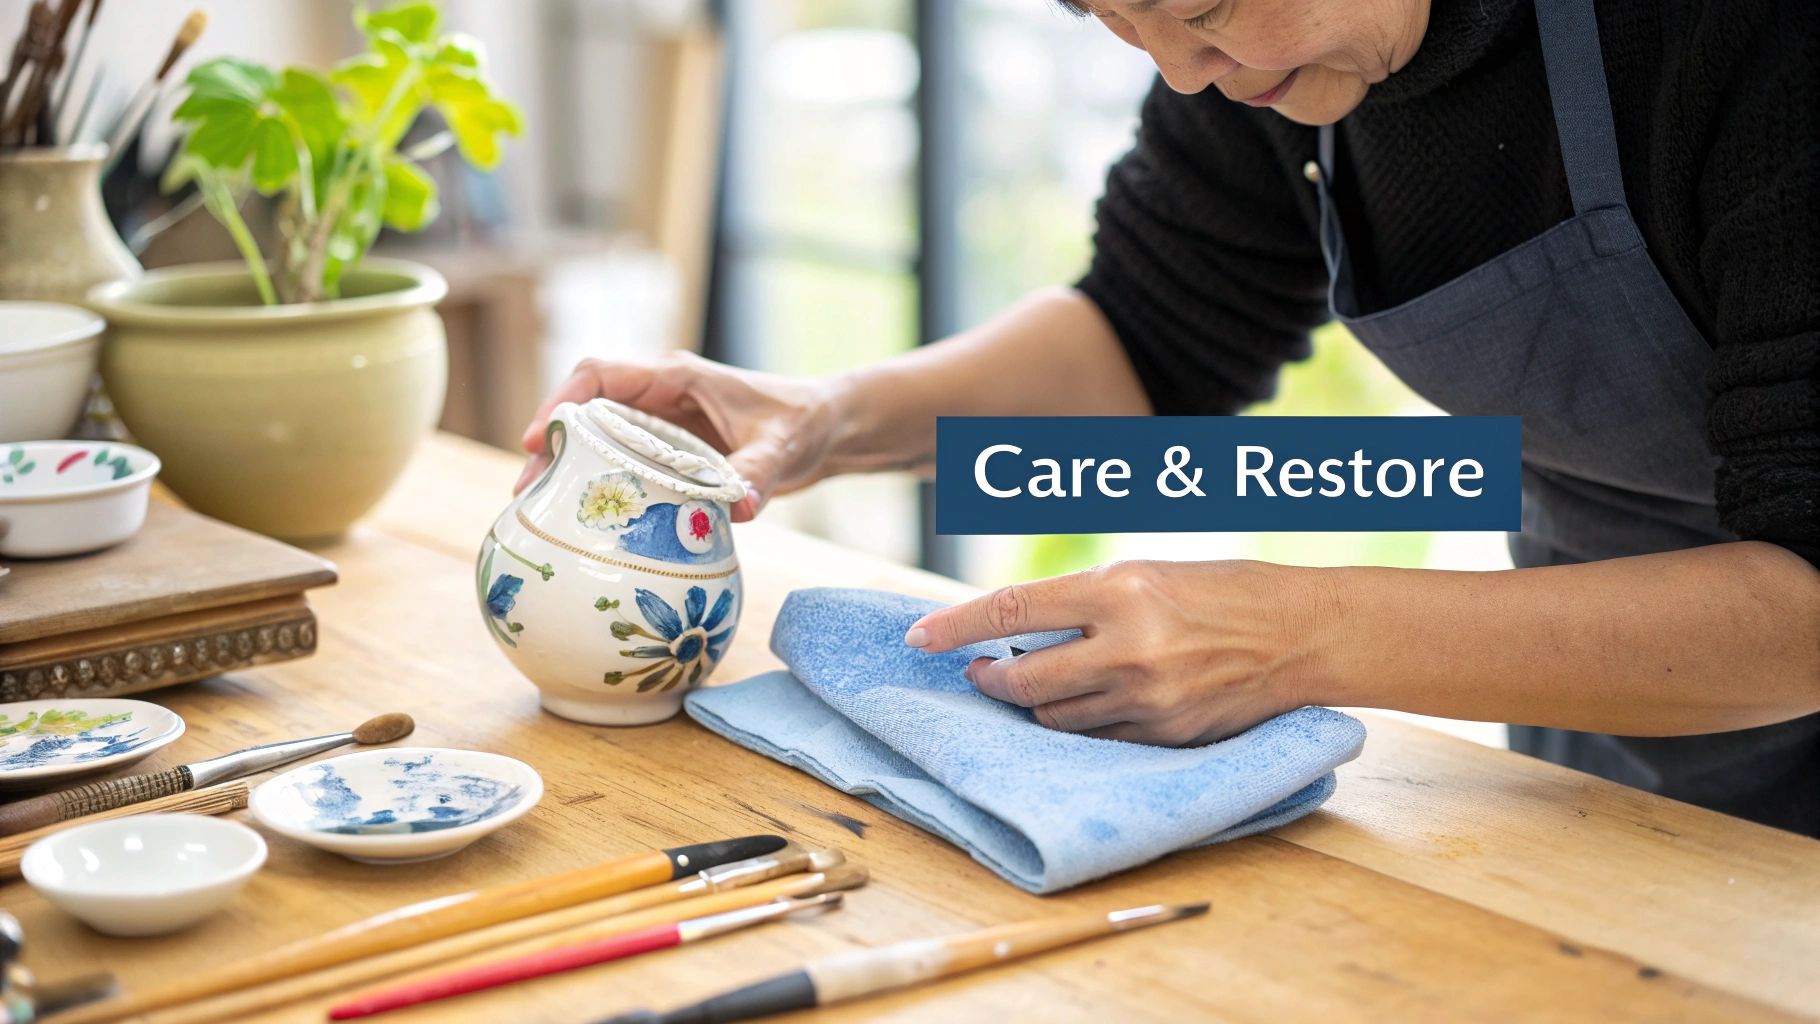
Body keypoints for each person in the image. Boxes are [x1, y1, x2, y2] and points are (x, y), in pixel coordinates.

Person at [519, 0, 1820, 835]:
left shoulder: (1747, 45)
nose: (1185, 74)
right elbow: (1150, 330)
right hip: (1604, 714)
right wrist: (826, 417)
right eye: (1114, 18)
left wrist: (1292, 636)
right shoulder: (1273, 58)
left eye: (1203, 11)